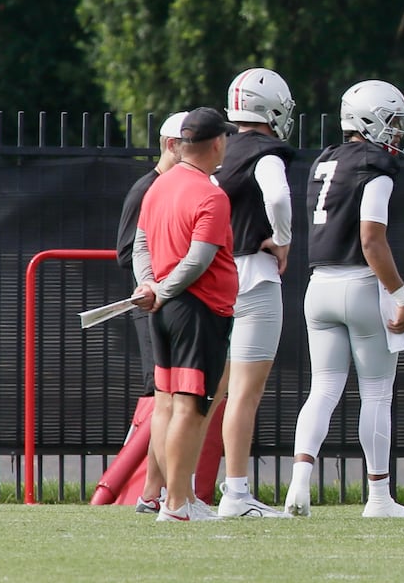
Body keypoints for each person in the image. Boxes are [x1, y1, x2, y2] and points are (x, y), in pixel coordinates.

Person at [284, 80, 404, 519]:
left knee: (323, 389)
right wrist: (399, 294)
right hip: (361, 286)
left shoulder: (325, 160)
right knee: (377, 394)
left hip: (318, 287)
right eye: (393, 120)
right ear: (371, 119)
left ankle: (299, 485)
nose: (399, 131)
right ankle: (379, 499)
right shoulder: (376, 166)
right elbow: (371, 240)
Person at [133, 107, 239, 523]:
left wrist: (149, 286)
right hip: (197, 310)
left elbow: (141, 245)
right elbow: (198, 259)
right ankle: (178, 503)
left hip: (162, 307)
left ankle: (174, 499)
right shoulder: (212, 194)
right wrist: (161, 288)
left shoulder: (159, 186)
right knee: (190, 409)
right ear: (215, 143)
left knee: (165, 405)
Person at [212, 68, 298, 518]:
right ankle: (237, 493)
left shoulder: (218, 150)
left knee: (207, 391)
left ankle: (181, 490)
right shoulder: (267, 153)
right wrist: (282, 238)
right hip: (255, 276)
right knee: (244, 392)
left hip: (214, 276)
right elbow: (279, 198)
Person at [117, 111, 185, 515]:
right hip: (154, 303)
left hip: (176, 302)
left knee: (175, 394)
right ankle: (147, 487)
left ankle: (158, 489)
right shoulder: (148, 188)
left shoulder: (179, 186)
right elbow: (128, 251)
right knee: (159, 393)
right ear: (171, 145)